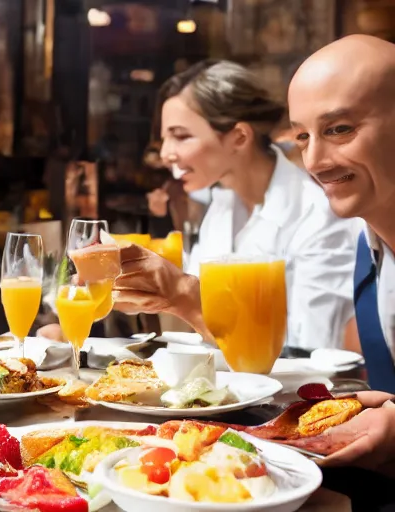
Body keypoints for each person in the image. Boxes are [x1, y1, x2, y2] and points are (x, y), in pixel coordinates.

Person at [112, 35, 395, 477]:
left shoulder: (328, 212)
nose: (315, 160)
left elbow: (302, 350)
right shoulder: (367, 241)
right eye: (302, 136)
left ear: (240, 137)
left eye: (340, 128)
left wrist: (186, 295)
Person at [155, 60, 356, 351]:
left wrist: (185, 302)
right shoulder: (222, 206)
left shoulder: (318, 216)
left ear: (239, 137)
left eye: (181, 136)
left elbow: (310, 349)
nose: (165, 154)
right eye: (164, 139)